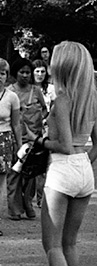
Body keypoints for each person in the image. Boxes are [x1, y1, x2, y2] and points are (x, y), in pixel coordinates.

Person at [39, 41, 97, 266]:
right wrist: (82, 165)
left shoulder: (62, 99)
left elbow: (62, 144)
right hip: (84, 169)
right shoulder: (91, 97)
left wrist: (41, 143)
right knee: (70, 243)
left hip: (63, 167)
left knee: (52, 244)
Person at [7, 58, 47, 220]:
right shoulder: (9, 92)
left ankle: (27, 203)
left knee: (30, 174)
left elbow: (44, 110)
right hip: (16, 139)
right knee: (14, 174)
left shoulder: (36, 91)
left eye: (27, 72)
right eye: (21, 72)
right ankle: (14, 209)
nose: (25, 75)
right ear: (15, 74)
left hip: (34, 139)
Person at [0, 58, 22, 236]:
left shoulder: (11, 97)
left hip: (4, 140)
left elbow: (16, 124)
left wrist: (19, 147)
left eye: (2, 74)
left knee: (1, 184)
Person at [32, 59, 56, 207]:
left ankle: (42, 198)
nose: (40, 74)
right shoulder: (29, 90)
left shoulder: (51, 89)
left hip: (47, 129)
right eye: (37, 71)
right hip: (31, 129)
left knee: (45, 164)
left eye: (42, 71)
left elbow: (53, 110)